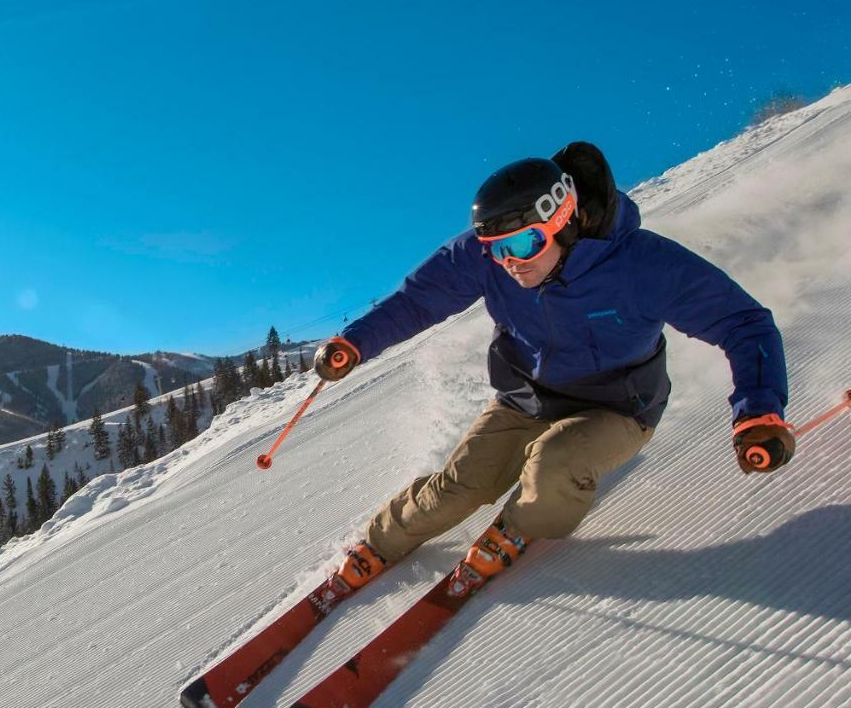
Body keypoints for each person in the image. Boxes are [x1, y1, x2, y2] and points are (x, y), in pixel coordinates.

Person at [312, 142, 794, 593]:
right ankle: (379, 541)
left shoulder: (642, 265)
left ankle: (520, 527)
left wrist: (759, 409)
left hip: (618, 406)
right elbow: (418, 302)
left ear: (564, 220)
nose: (510, 264)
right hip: (526, 397)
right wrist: (355, 343)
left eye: (522, 246)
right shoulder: (490, 257)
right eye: (497, 251)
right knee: (457, 490)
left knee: (554, 465)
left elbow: (744, 323)